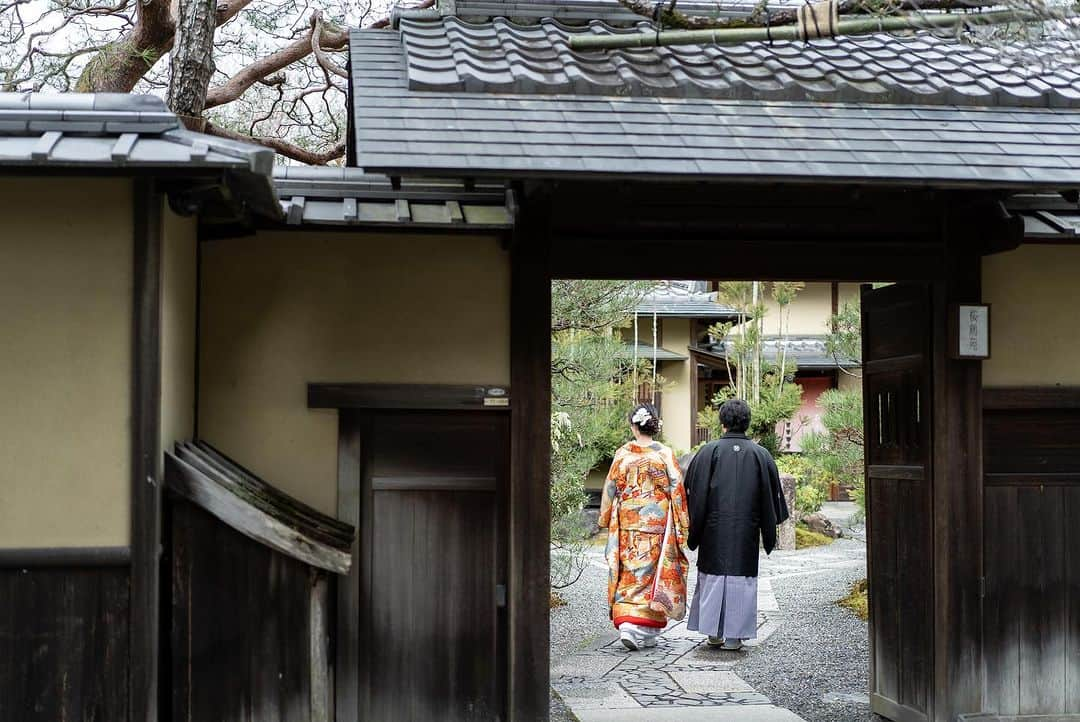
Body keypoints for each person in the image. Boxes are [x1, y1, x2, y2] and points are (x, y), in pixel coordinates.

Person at [683, 398, 789, 650]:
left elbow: (694, 495)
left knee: (713, 577)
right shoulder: (761, 455)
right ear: (747, 423)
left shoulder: (708, 452)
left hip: (713, 531)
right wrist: (767, 530)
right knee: (741, 580)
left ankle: (713, 632)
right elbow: (771, 498)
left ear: (722, 424)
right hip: (746, 531)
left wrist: (693, 532)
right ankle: (734, 636)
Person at [598, 402, 691, 651]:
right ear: (654, 426)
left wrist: (604, 518)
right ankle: (636, 626)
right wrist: (683, 523)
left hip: (629, 521)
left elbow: (610, 488)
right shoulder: (665, 454)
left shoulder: (623, 454)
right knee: (654, 573)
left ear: (633, 426)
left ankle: (641, 628)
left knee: (630, 571)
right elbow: (677, 490)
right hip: (657, 523)